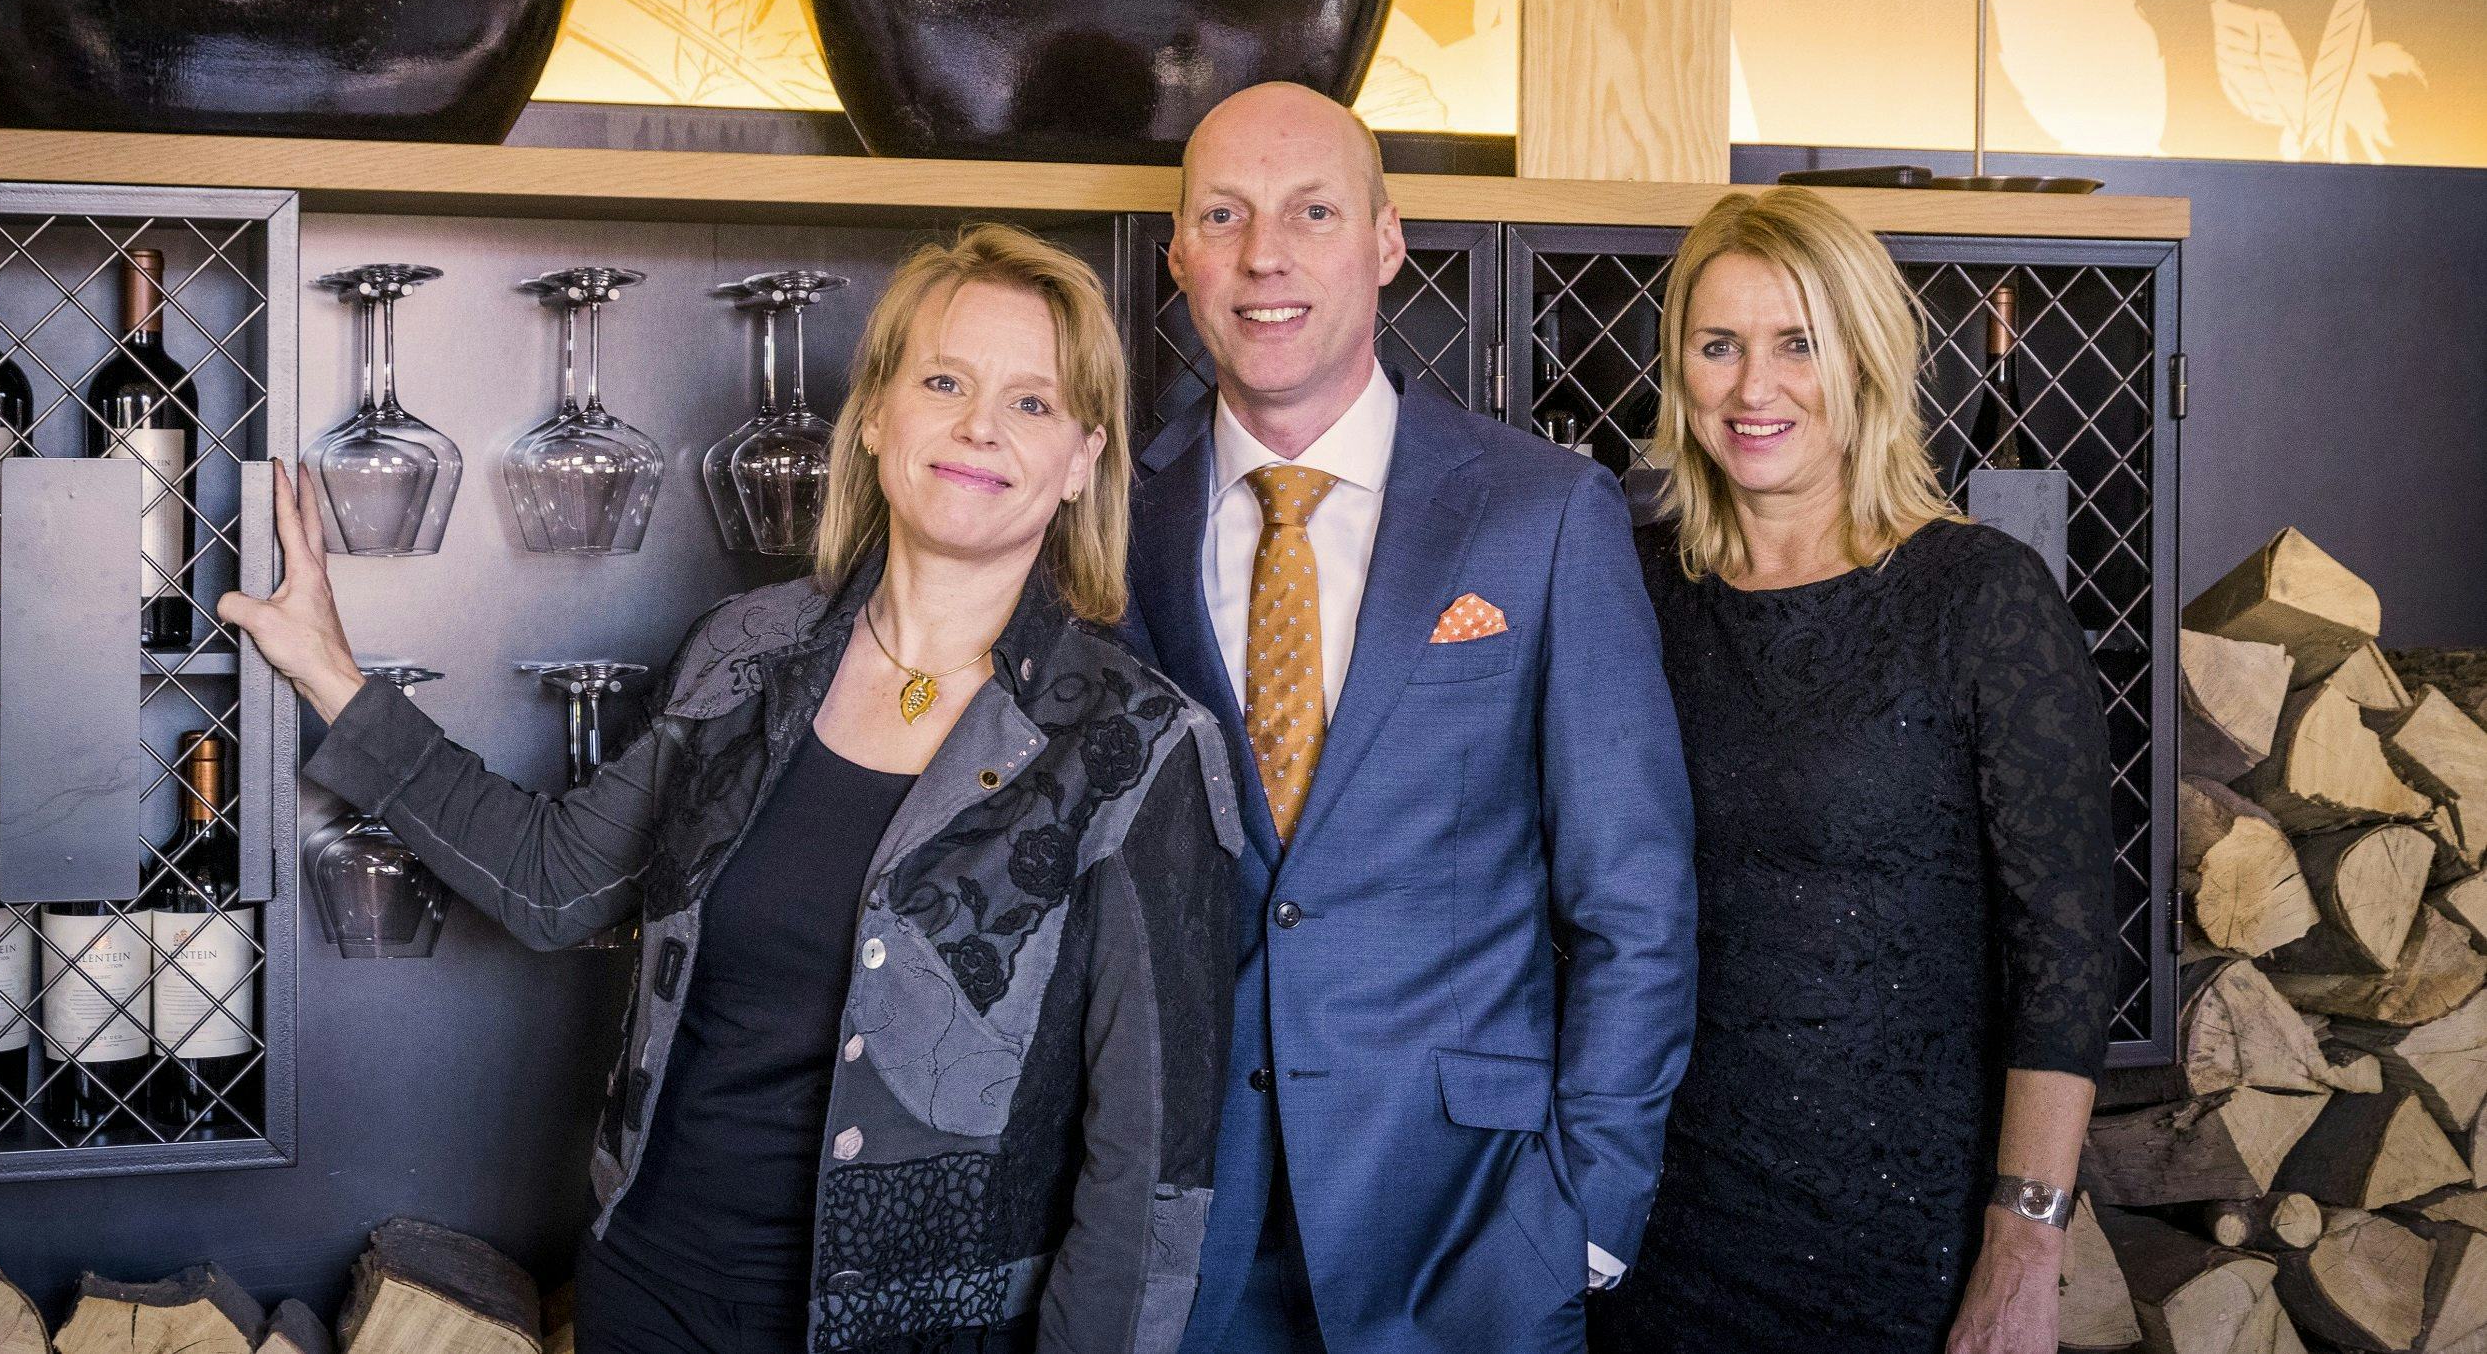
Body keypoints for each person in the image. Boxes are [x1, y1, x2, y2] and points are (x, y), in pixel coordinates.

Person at [223, 225, 1243, 1354]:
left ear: (1083, 459)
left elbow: (1148, 1178)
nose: (978, 428)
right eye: (944, 382)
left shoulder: (1136, 747)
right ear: (875, 413)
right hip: (652, 1299)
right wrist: (328, 671)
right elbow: (553, 885)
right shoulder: (744, 653)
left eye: (1032, 402)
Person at [1122, 82, 1698, 1354]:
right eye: (1223, 215)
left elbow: (1634, 899)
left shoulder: (1545, 512)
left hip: (1467, 1238)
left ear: (1386, 241)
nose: (1263, 255)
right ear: (1178, 256)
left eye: (1312, 212)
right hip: (1175, 1246)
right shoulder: (1109, 518)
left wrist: (1585, 1216)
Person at [1589, 188, 2115, 1354]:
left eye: (1797, 344)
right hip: (1652, 1222)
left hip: (1898, 1233)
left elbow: (2066, 952)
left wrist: (2024, 1244)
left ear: (1866, 360)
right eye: (1717, 345)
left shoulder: (1979, 596)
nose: (1752, 387)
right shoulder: (1625, 588)